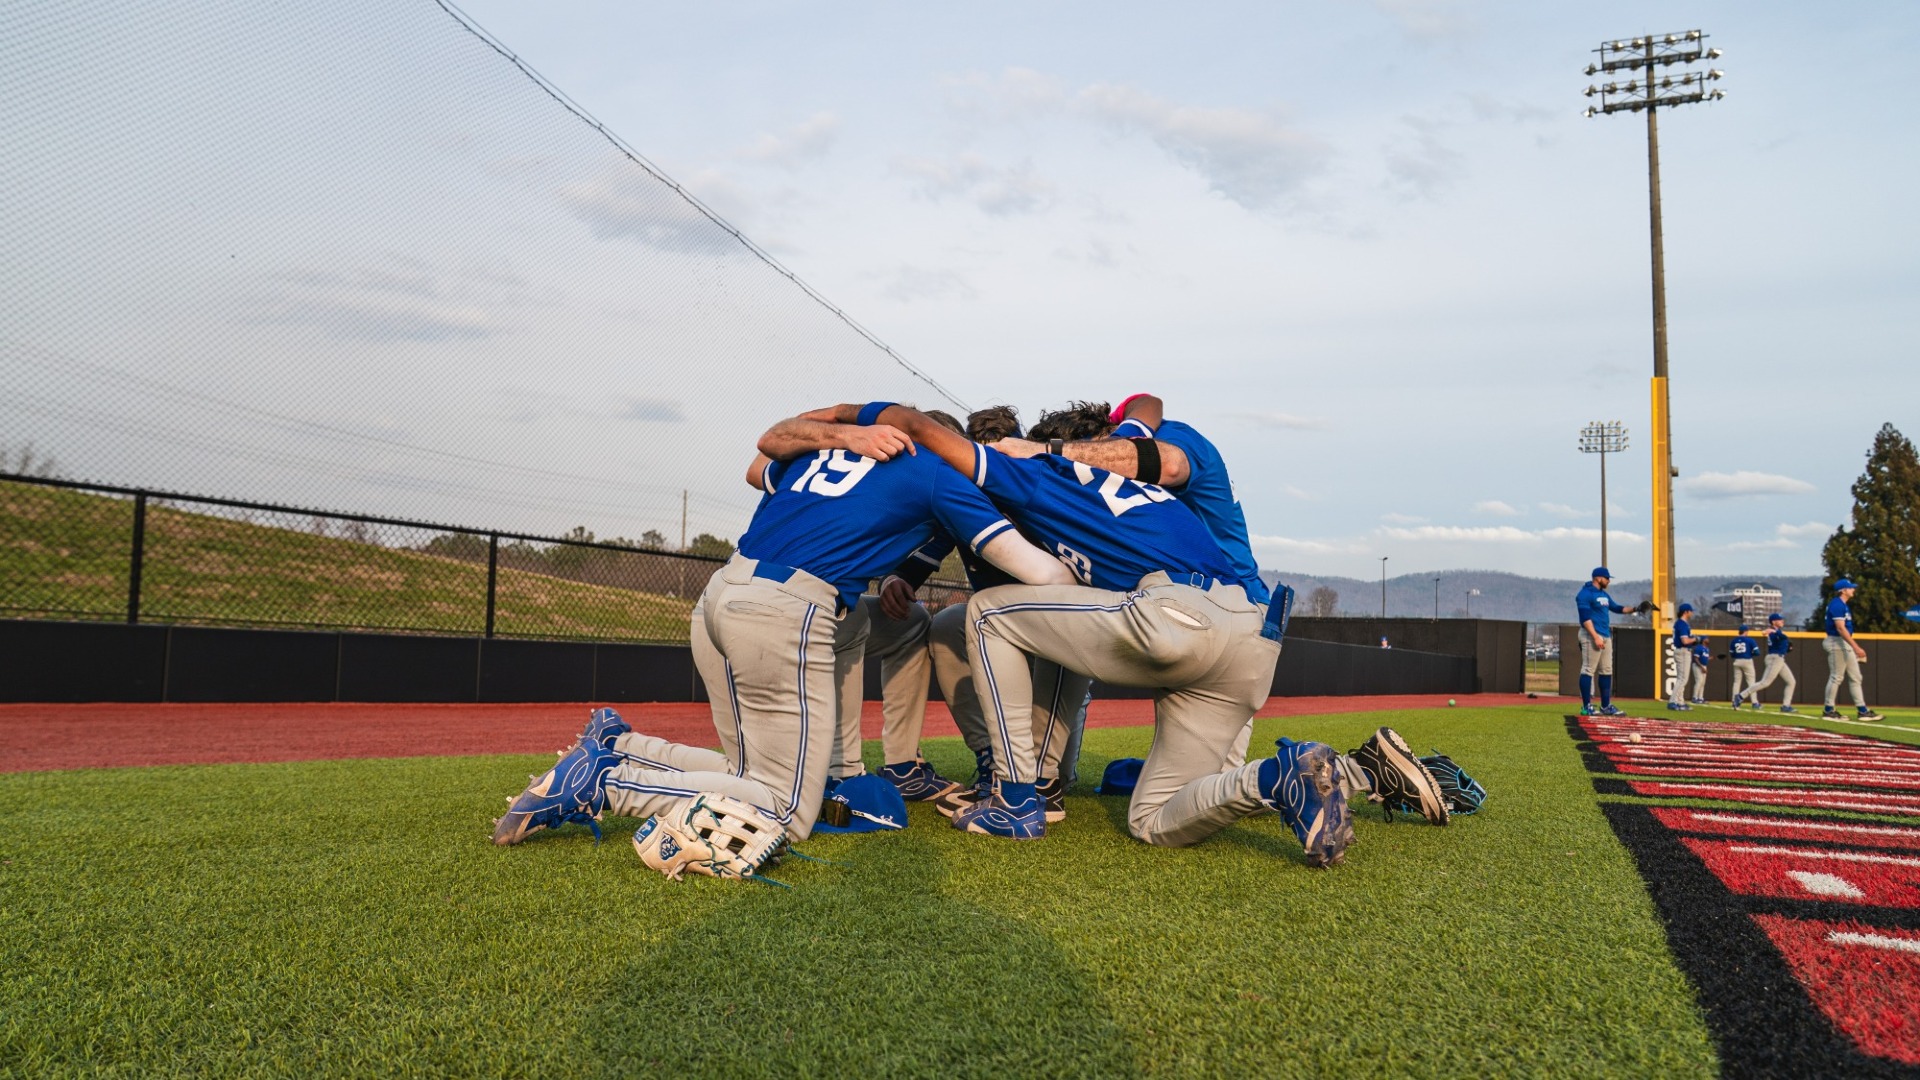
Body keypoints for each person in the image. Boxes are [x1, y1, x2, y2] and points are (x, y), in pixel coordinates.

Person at [835, 401, 1447, 863]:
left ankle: (1019, 798)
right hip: (1252, 640)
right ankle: (1316, 774)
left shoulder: (1046, 475)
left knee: (989, 610)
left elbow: (943, 446)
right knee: (1153, 817)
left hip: (1180, 619)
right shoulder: (1150, 489)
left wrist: (866, 419)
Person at [491, 408, 1075, 853]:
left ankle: (621, 747)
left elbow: (757, 465)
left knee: (752, 773)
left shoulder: (835, 455)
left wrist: (842, 434)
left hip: (720, 598)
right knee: (787, 809)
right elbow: (1038, 571)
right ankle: (608, 782)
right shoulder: (939, 477)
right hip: (783, 612)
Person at [1574, 567, 1643, 717]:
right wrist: (1595, 636)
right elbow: (1585, 618)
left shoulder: (1603, 594)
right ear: (1598, 578)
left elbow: (1617, 608)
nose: (1608, 581)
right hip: (1591, 634)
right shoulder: (1584, 594)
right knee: (1588, 669)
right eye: (1606, 578)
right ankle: (1586, 707)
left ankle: (1606, 706)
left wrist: (1636, 609)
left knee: (1606, 671)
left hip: (1605, 635)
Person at [1822, 579, 1884, 721]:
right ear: (1843, 590)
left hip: (1843, 643)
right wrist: (1856, 647)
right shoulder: (1837, 604)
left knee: (1856, 677)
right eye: (1850, 588)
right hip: (1836, 642)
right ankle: (1828, 710)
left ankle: (1862, 711)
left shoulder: (1842, 605)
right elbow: (1840, 628)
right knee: (1836, 677)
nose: (1853, 590)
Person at [1741, 612, 1797, 712]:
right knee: (1765, 683)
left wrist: (1787, 646)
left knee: (1791, 682)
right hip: (1774, 658)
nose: (1782, 621)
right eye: (1779, 620)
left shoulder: (1775, 631)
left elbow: (1783, 639)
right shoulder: (1772, 632)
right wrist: (1774, 632)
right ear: (1774, 622)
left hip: (1779, 658)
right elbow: (1782, 637)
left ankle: (1786, 706)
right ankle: (1741, 695)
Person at [1667, 603, 1699, 711]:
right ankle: (1673, 701)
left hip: (1681, 650)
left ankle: (1680, 702)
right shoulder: (1682, 624)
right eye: (1690, 611)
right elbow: (1685, 641)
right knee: (1682, 679)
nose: (1692, 612)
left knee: (1682, 678)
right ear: (1686, 612)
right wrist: (1695, 639)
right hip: (1683, 651)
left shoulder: (1680, 623)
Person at [1726, 625, 1760, 707]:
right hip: (1747, 660)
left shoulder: (1734, 641)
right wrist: (1749, 653)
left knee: (1736, 682)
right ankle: (1754, 702)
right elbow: (1757, 652)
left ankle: (1734, 701)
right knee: (1751, 682)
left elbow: (1731, 654)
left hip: (1737, 661)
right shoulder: (1750, 640)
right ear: (1745, 631)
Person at [1689, 638, 1711, 704]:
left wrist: (1710, 658)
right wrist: (1702, 667)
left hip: (1704, 666)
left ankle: (1700, 698)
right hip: (1697, 665)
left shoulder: (1707, 649)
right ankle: (1694, 697)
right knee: (1699, 681)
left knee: (1702, 683)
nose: (1708, 640)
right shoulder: (1698, 648)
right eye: (1707, 638)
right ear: (1703, 640)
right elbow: (1696, 658)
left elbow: (1704, 658)